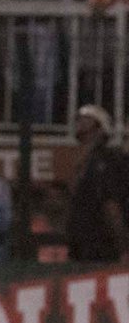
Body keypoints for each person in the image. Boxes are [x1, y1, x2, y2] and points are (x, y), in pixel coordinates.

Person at [66, 105, 129, 263]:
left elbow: (111, 204)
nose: (80, 123)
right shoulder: (83, 162)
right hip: (80, 245)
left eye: (87, 120)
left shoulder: (107, 160)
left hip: (100, 246)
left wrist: (122, 246)